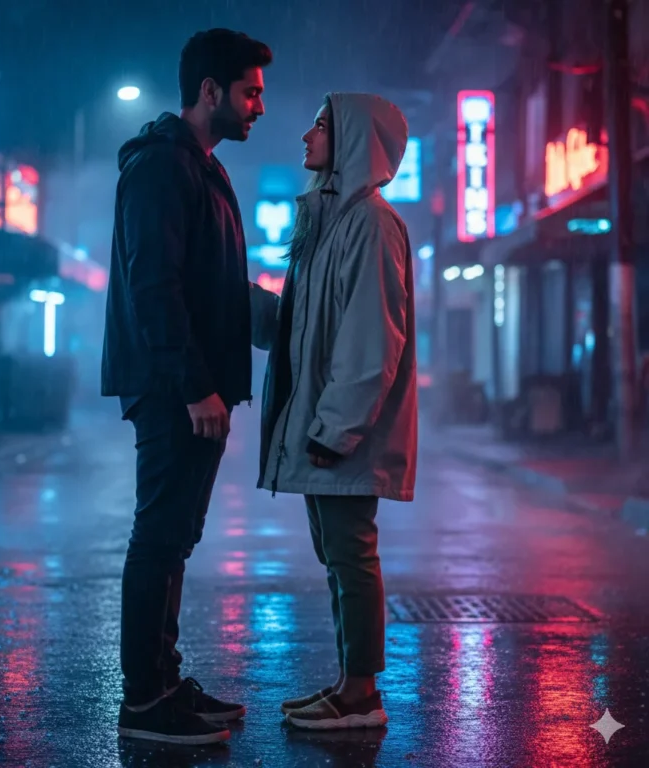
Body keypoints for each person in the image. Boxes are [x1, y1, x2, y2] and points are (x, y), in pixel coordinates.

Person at [102, 29, 272, 745]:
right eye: (250, 92)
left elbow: (214, 287)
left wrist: (288, 319)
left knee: (175, 537)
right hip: (176, 389)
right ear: (211, 92)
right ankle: (145, 699)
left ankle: (164, 681)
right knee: (160, 536)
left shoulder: (199, 166)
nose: (260, 106)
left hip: (194, 385)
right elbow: (155, 288)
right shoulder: (164, 167)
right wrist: (197, 385)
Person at [250, 93, 418, 730]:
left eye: (320, 123)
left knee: (351, 555)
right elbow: (305, 330)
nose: (305, 134)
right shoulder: (328, 221)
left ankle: (361, 695)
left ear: (352, 139)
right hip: (327, 426)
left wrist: (336, 429)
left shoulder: (371, 225)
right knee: (337, 555)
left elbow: (374, 342)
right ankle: (350, 683)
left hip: (343, 431)